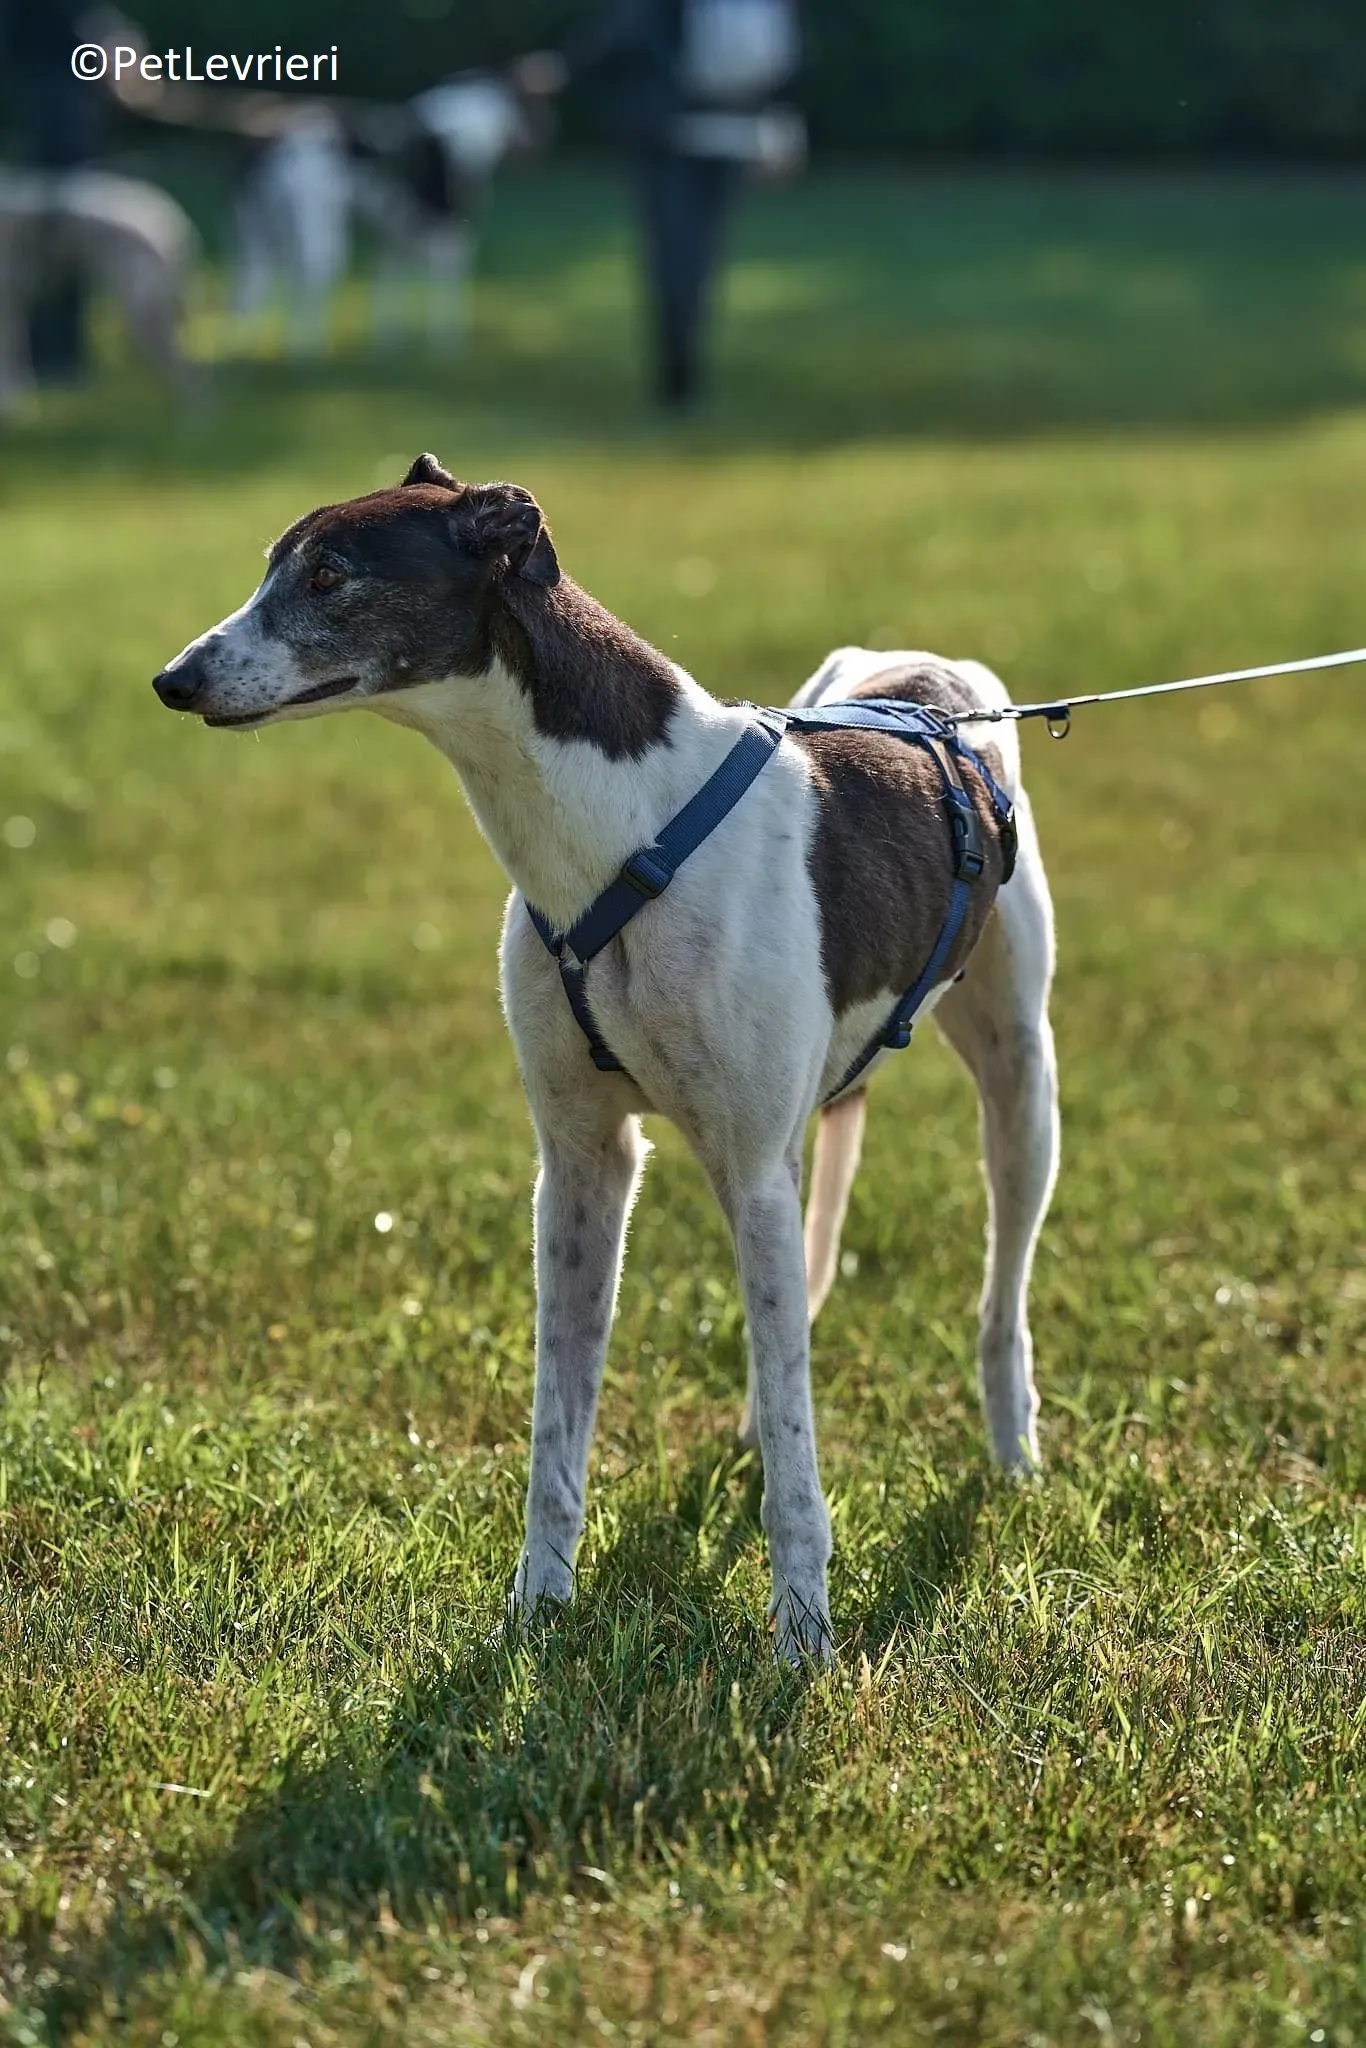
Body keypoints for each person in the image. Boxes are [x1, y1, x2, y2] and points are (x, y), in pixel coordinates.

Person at [514, 0, 801, 410]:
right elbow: (623, 27)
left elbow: (782, 61)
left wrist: (781, 125)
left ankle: (683, 372)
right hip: (671, 133)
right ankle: (679, 379)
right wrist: (566, 67)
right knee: (678, 256)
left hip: (732, 132)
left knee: (698, 255)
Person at [2, 0, 109, 381]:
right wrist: (102, 38)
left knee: (58, 239)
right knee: (42, 243)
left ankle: (58, 353)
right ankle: (50, 354)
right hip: (49, 114)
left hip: (60, 106)